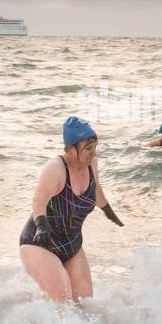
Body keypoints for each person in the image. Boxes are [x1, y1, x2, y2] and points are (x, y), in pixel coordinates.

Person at [20, 116, 124, 302]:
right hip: (40, 243)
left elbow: (96, 188)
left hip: (72, 246)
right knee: (61, 299)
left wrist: (109, 212)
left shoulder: (91, 164)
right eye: (87, 149)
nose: (92, 154)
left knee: (85, 304)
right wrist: (42, 226)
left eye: (94, 148)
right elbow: (38, 201)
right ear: (69, 150)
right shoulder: (56, 169)